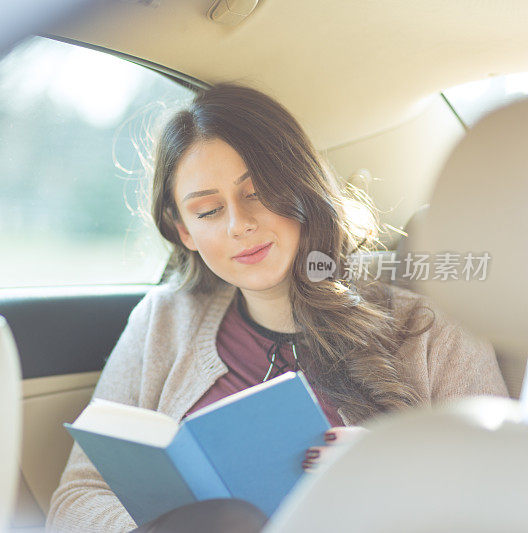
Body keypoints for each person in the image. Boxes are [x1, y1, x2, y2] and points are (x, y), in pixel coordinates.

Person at [45, 83, 508, 532]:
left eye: (258, 193)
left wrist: (393, 474)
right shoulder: (162, 320)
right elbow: (77, 496)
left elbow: (502, 498)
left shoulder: (432, 331)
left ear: (302, 189)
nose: (239, 225)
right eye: (207, 211)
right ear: (184, 231)